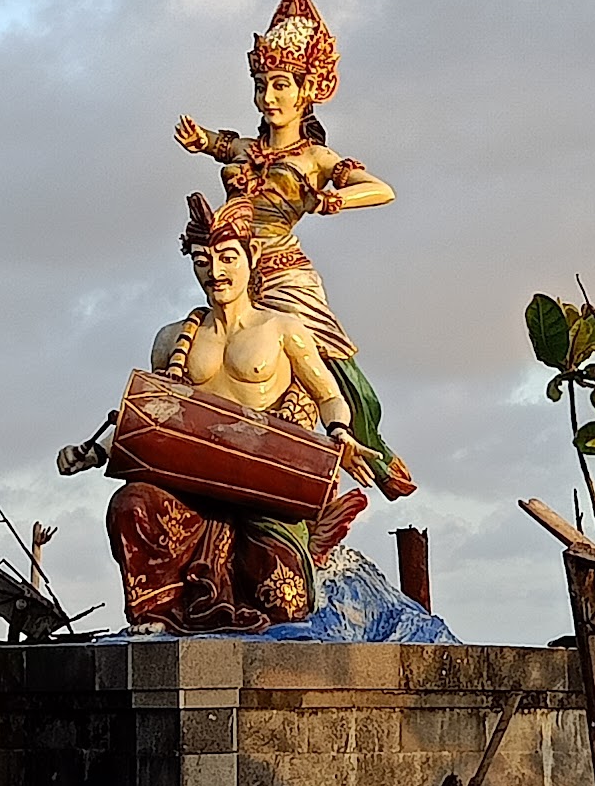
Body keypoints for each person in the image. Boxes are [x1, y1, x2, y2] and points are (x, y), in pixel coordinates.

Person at [57, 193, 370, 634]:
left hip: (262, 486)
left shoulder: (282, 330)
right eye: (203, 260)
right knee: (132, 505)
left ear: (251, 255)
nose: (216, 272)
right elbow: (155, 416)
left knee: (280, 600)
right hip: (191, 486)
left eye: (227, 258)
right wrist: (93, 451)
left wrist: (339, 430)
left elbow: (328, 395)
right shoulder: (173, 339)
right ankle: (159, 613)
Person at [174, 0, 415, 500]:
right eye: (262, 86)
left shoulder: (316, 159)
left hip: (283, 273)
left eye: (281, 85)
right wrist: (200, 141)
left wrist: (331, 199)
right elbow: (220, 143)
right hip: (230, 266)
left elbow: (383, 190)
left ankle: (364, 442)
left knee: (321, 357)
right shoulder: (241, 149)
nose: (269, 97)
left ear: (307, 91)